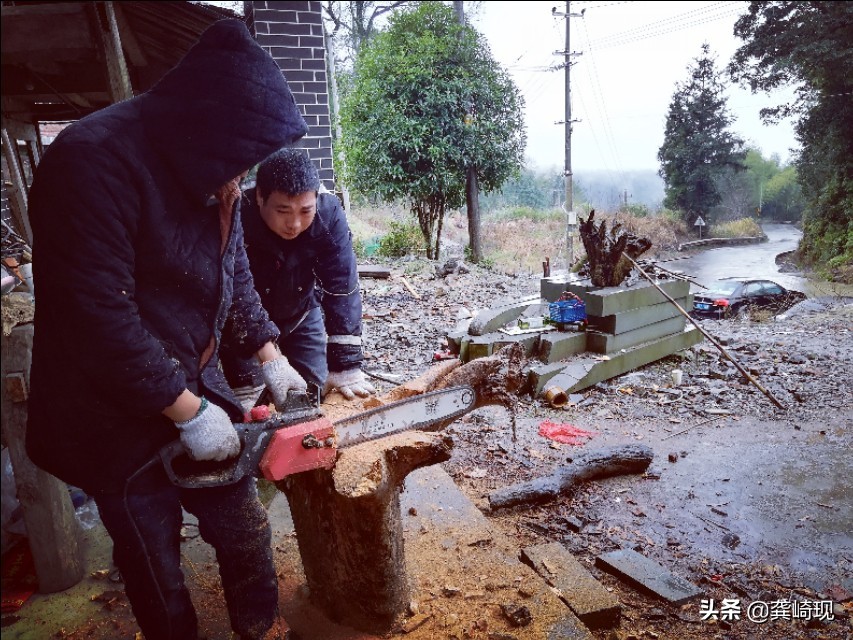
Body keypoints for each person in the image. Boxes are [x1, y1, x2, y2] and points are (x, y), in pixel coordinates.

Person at [25, 19, 310, 640]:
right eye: (236, 162)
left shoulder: (217, 176)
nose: (239, 176)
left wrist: (270, 357)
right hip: (105, 403)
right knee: (153, 554)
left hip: (188, 373)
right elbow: (93, 314)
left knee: (240, 522)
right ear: (205, 131)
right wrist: (184, 410)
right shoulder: (90, 162)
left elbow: (227, 275)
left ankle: (261, 628)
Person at [221, 149, 375, 410]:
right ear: (260, 197)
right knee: (251, 404)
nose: (294, 223)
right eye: (283, 210)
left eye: (305, 211)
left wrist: (345, 364)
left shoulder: (329, 214)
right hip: (244, 320)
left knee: (312, 394)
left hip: (301, 312)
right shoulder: (237, 213)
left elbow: (342, 286)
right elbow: (233, 291)